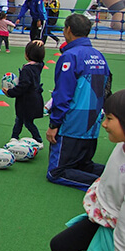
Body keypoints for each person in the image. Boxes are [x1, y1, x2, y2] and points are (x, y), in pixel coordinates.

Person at [49, 90, 125, 251]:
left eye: (109, 118)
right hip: (101, 218)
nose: (104, 124)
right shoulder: (121, 146)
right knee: (61, 245)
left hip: (116, 232)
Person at [46, 14, 112, 190]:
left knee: (56, 172)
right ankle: (116, 176)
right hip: (92, 124)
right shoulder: (99, 56)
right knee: (84, 165)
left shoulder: (70, 56)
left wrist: (54, 124)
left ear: (68, 30)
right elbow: (107, 91)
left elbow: (63, 94)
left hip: (72, 124)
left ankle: (108, 186)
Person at [3, 41, 45, 145]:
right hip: (34, 98)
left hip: (27, 100)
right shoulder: (38, 65)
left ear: (27, 54)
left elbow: (23, 86)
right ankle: (14, 137)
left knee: (26, 121)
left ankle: (38, 140)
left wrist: (10, 92)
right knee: (20, 119)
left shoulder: (27, 69)